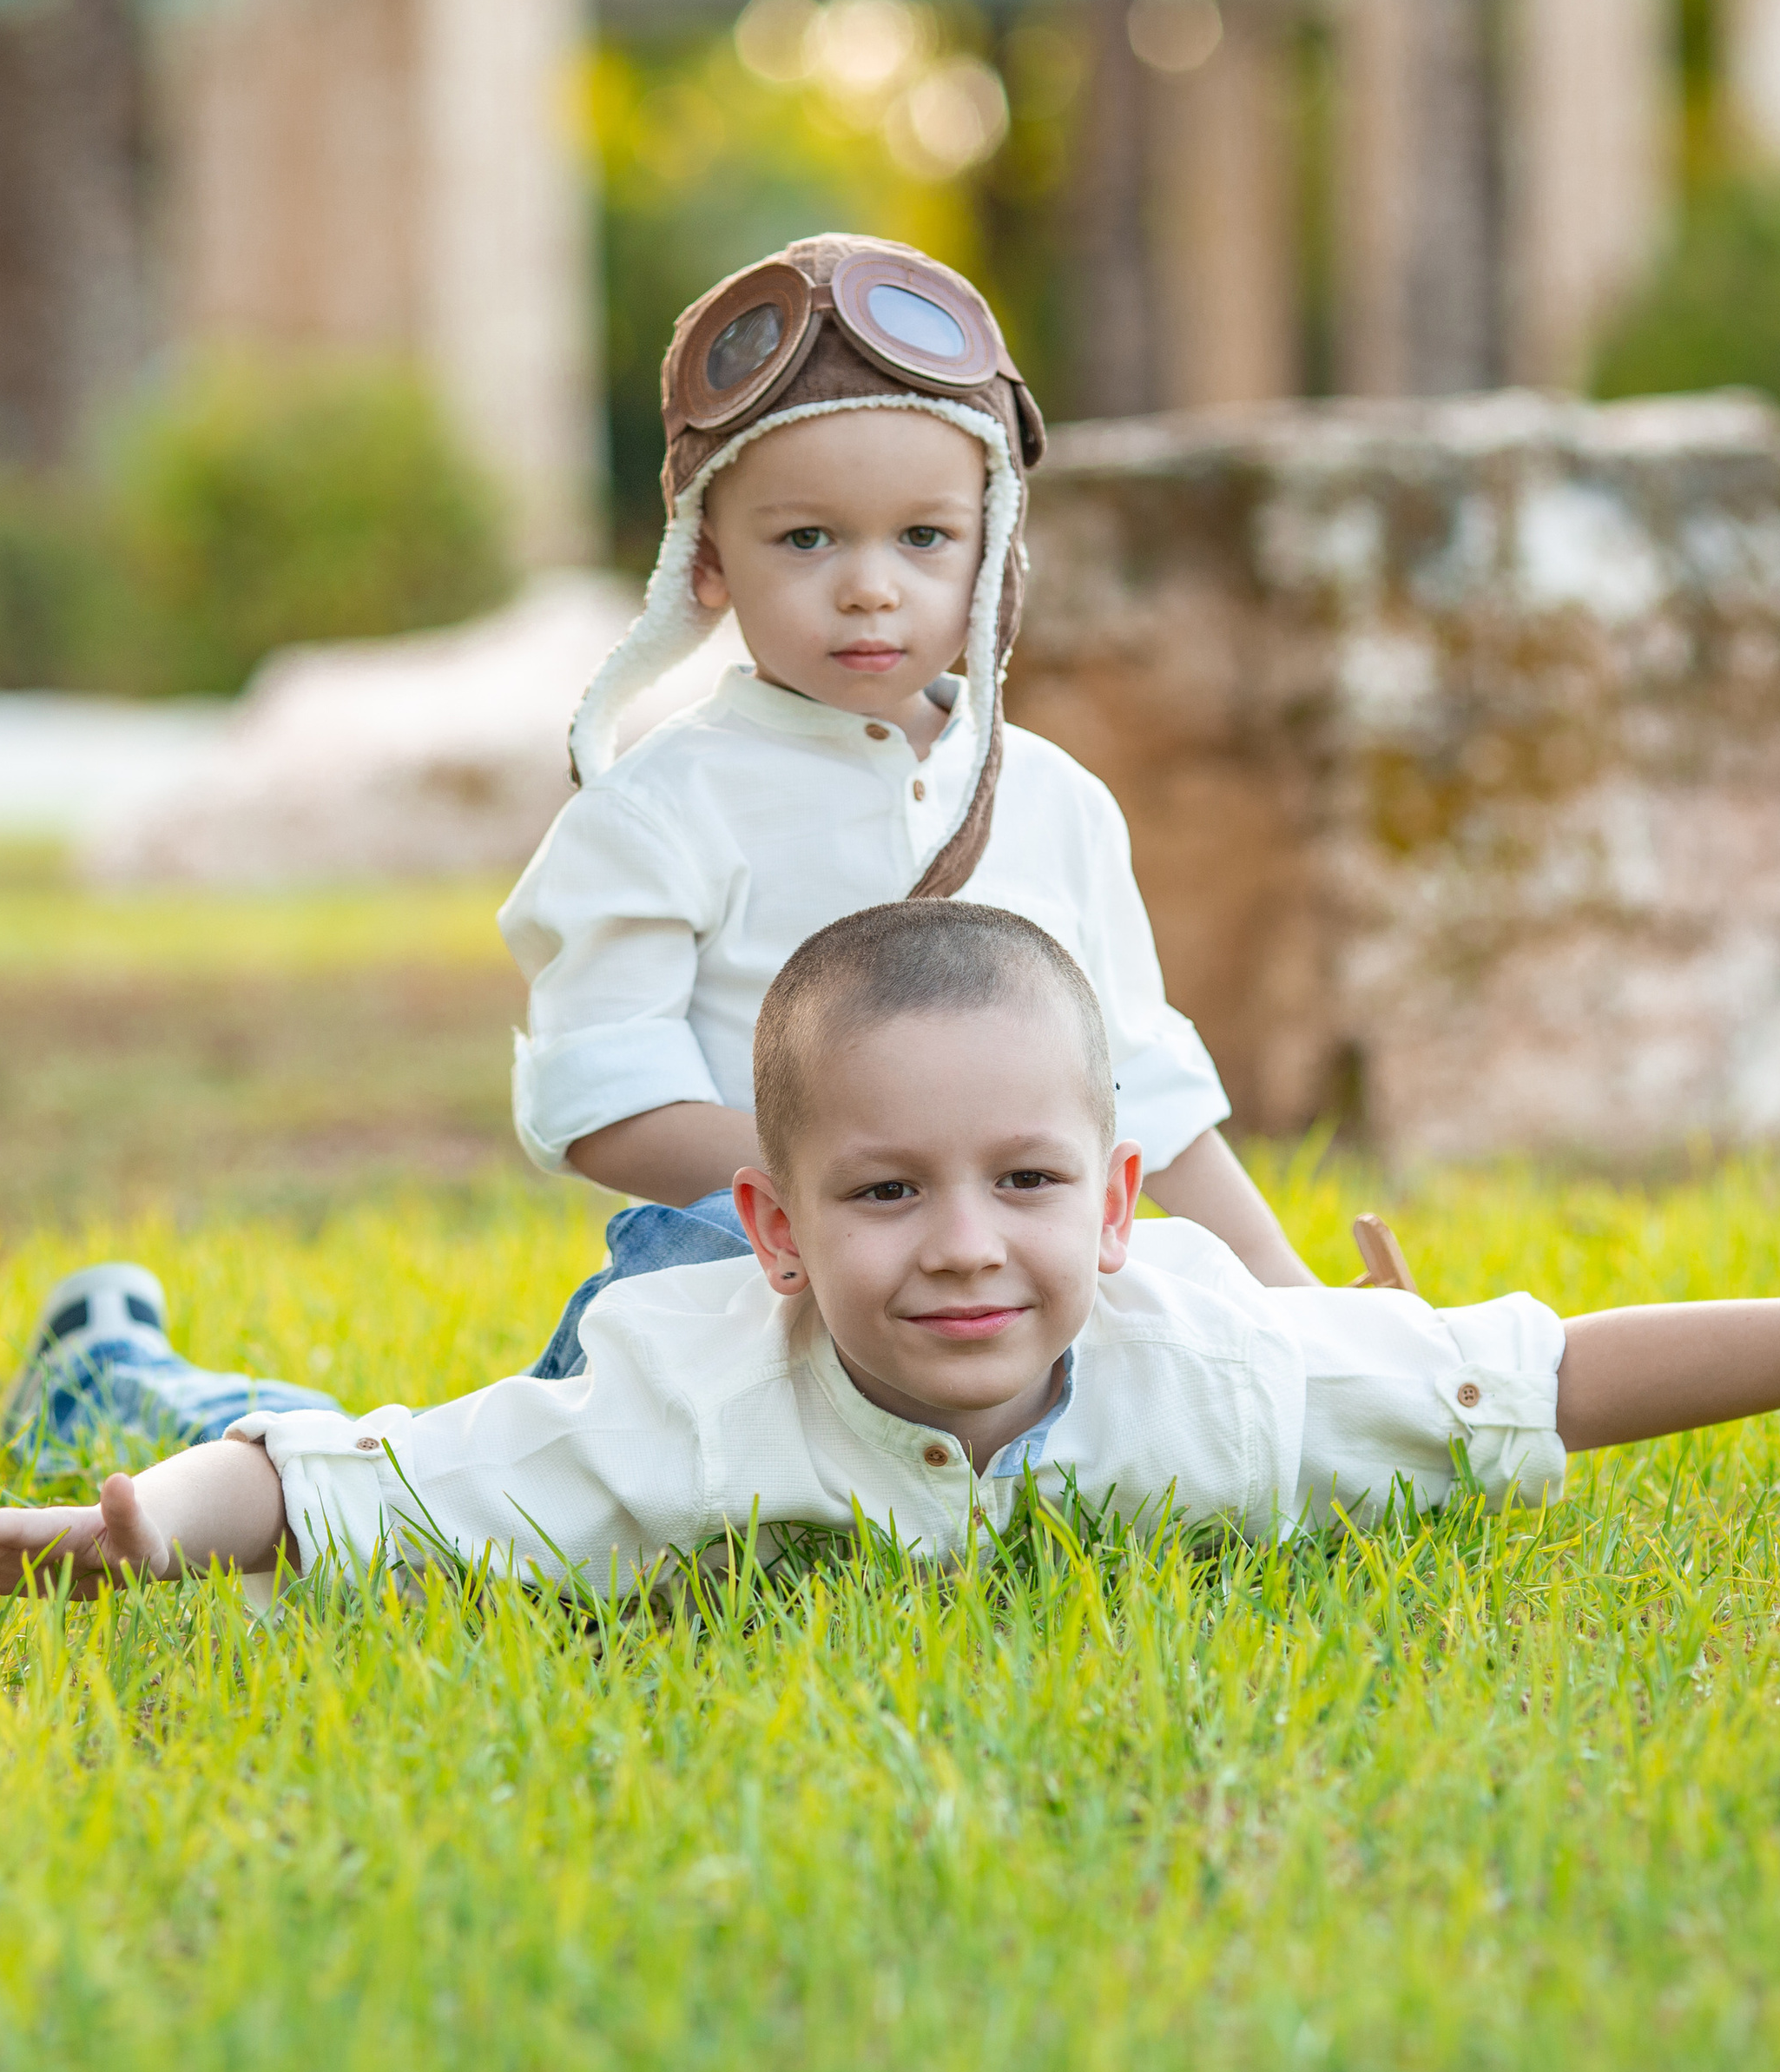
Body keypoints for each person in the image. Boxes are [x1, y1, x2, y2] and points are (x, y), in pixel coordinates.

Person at [0, 903, 1780, 1599]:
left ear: (1123, 1204)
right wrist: (145, 1524)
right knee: (279, 1428)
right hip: (414, 1413)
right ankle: (116, 1361)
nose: (965, 1248)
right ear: (777, 1230)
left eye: (1026, 1184)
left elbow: (1556, 1374)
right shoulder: (686, 1397)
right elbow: (389, 1479)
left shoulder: (1227, 1372)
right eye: (886, 1193)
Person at [498, 232, 1321, 1387]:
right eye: (807, 538)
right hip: (744, 1281)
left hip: (1014, 1287)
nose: (871, 586)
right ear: (707, 561)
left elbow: (1144, 1089)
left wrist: (1296, 1301)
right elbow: (605, 1102)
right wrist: (870, 1202)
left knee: (1227, 1377)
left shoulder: (1054, 802)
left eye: (924, 537)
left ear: (994, 549)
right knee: (567, 1460)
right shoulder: (658, 810)